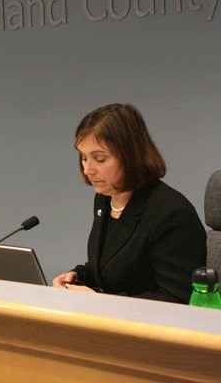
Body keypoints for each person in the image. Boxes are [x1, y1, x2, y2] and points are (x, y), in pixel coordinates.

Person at [52, 104, 207, 303]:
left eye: (99, 158)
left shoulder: (172, 214)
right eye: (83, 157)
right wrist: (76, 276)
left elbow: (177, 299)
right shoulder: (106, 199)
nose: (88, 169)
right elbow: (110, 270)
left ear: (130, 156)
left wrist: (101, 301)